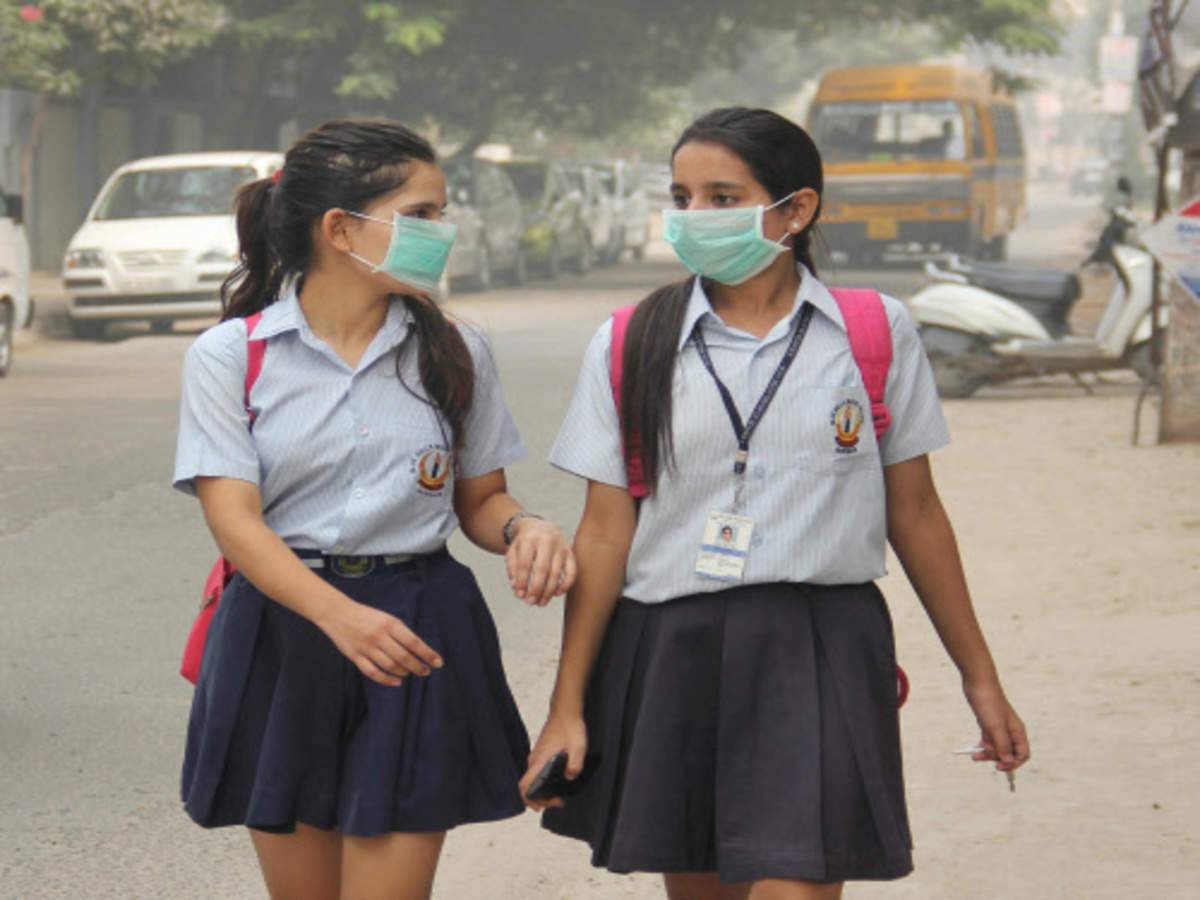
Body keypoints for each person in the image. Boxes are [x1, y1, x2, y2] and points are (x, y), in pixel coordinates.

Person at [520, 107, 1029, 900]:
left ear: (797, 210)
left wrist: (981, 678)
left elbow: (917, 514)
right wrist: (567, 705)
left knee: (797, 882)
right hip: (671, 646)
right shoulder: (630, 342)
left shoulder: (873, 333)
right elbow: (605, 533)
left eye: (722, 197)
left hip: (821, 645)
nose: (694, 216)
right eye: (682, 197)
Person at [173, 119, 575, 900]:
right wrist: (340, 617)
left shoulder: (456, 351)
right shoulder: (232, 355)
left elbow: (481, 500)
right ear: (339, 228)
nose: (442, 231)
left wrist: (525, 527)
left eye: (442, 213)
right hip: (284, 630)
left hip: (416, 632)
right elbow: (235, 522)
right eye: (420, 214)